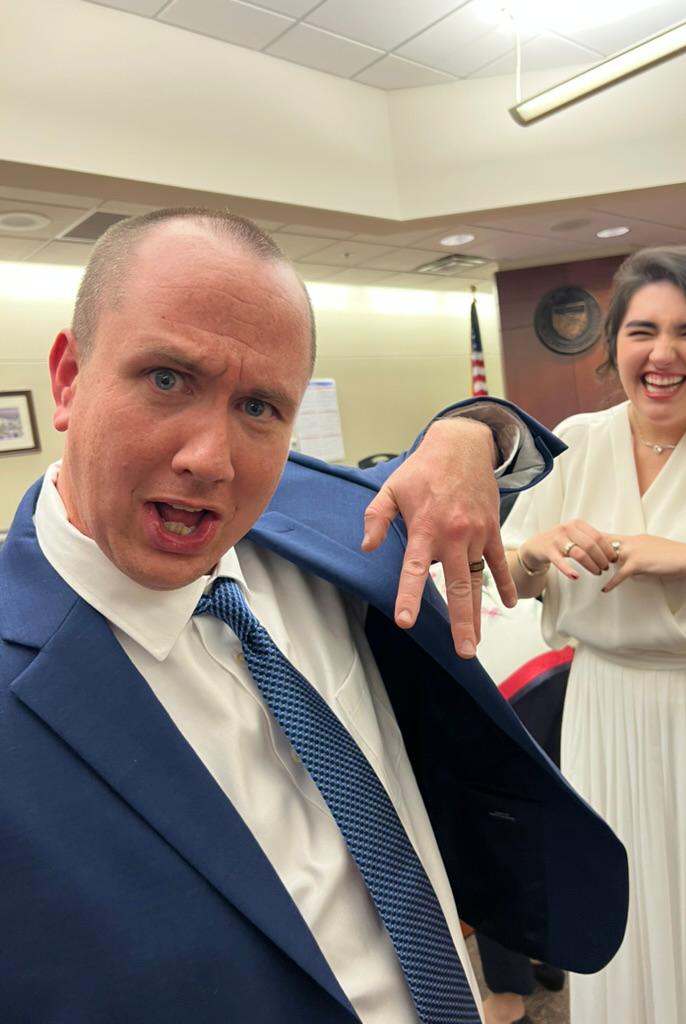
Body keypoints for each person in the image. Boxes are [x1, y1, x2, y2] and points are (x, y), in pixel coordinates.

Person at [0, 208, 628, 1023]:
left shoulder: (316, 524)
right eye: (167, 379)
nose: (210, 460)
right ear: (69, 377)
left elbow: (474, 467)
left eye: (259, 407)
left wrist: (472, 432)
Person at [503, 245, 686, 1024]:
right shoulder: (575, 442)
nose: (663, 355)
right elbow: (508, 576)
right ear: (614, 341)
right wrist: (535, 551)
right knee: (626, 911)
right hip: (606, 710)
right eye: (643, 331)